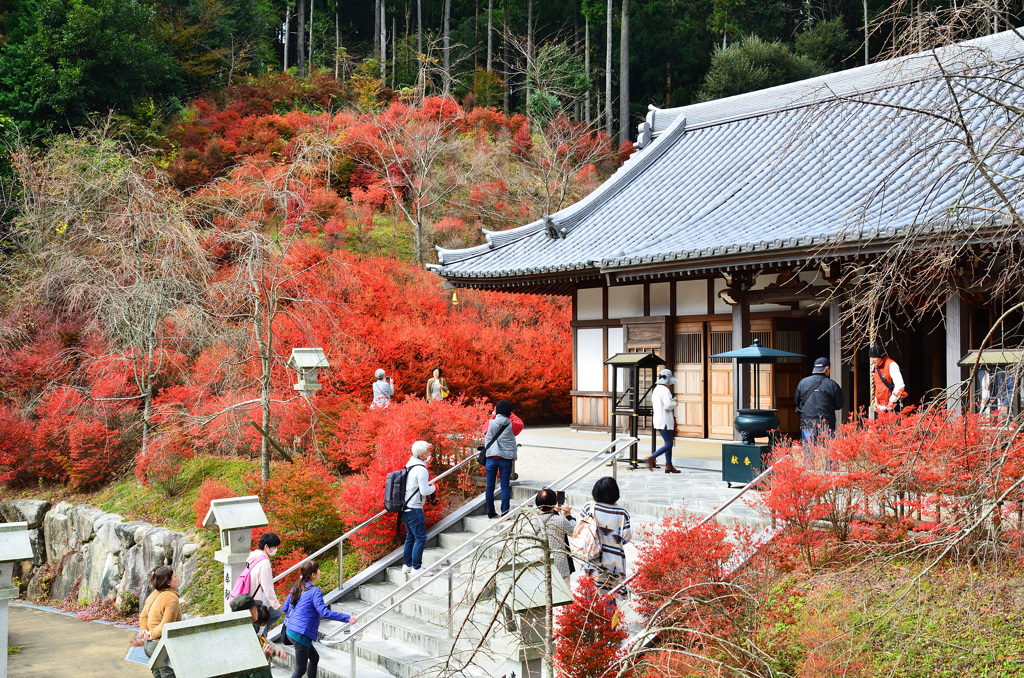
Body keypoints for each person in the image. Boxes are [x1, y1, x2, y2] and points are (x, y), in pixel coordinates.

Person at [282, 560, 358, 678]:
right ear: (313, 575)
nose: (319, 571)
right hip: (300, 634)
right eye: (318, 569)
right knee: (300, 670)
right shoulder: (315, 591)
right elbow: (325, 613)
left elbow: (285, 607)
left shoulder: (297, 586)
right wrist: (347, 618)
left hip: (291, 631)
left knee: (314, 658)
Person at [580, 477, 631, 605]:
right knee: (609, 597)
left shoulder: (588, 507)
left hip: (592, 559)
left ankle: (590, 624)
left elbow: (580, 531)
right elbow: (626, 538)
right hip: (614, 562)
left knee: (590, 597)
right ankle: (609, 625)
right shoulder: (622, 512)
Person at [482, 400, 524, 518]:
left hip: (491, 459)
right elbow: (520, 423)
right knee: (505, 486)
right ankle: (505, 512)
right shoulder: (512, 425)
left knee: (490, 487)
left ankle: (491, 512)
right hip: (506, 460)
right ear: (509, 412)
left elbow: (484, 430)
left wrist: (494, 414)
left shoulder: (489, 423)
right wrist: (511, 414)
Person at [229, 594, 286, 678]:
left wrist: (276, 649)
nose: (257, 610)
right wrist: (264, 656)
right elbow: (254, 669)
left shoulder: (236, 632)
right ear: (250, 611)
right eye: (255, 607)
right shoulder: (248, 635)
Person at [140, 566, 182, 678]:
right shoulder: (171, 598)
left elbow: (143, 616)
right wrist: (152, 634)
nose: (177, 578)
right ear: (168, 582)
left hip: (149, 646)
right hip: (161, 646)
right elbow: (166, 625)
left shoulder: (153, 594)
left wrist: (145, 631)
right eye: (175, 576)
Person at [402, 440, 436, 575]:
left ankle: (407, 565)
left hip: (405, 507)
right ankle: (416, 567)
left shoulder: (409, 465)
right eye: (428, 451)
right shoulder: (421, 469)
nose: (430, 454)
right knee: (420, 537)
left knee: (410, 536)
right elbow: (424, 491)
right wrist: (434, 487)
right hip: (415, 508)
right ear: (422, 456)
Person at [793, 357, 845, 444]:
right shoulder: (833, 385)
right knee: (827, 452)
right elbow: (839, 404)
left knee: (809, 452)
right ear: (827, 368)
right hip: (827, 423)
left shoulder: (803, 382)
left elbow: (796, 401)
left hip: (808, 423)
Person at [533, 488, 576, 581]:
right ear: (554, 502)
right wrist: (568, 515)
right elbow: (574, 531)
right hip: (560, 566)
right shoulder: (560, 520)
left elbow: (547, 518)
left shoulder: (534, 520)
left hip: (540, 564)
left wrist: (555, 511)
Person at [246, 532, 283, 636]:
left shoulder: (252, 557)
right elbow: (267, 587)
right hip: (260, 600)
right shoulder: (264, 563)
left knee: (275, 614)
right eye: (274, 547)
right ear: (266, 546)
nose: (275, 549)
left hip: (250, 597)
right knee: (261, 625)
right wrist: (275, 604)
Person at [646, 368, 680, 474]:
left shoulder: (656, 389)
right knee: (669, 444)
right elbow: (668, 405)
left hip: (659, 420)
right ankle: (651, 457)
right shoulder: (665, 390)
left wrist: (671, 401)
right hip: (665, 420)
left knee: (668, 443)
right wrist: (675, 402)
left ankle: (668, 465)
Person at [869, 345, 907, 414]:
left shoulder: (891, 365)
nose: (872, 360)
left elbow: (900, 384)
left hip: (891, 406)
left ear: (880, 356)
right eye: (870, 357)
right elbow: (877, 385)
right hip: (880, 407)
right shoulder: (875, 367)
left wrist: (892, 401)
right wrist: (876, 401)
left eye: (874, 357)